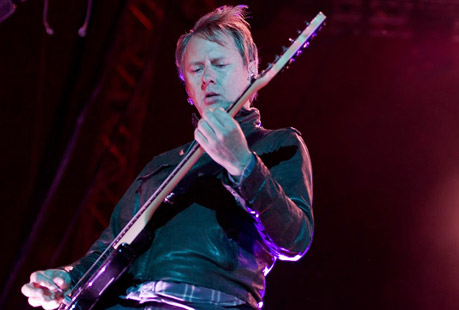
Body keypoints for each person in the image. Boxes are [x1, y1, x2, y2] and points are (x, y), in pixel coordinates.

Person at [21, 5, 314, 310]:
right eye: (196, 69)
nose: (208, 77)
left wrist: (244, 166)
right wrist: (67, 279)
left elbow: (295, 240)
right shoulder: (161, 165)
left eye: (220, 63)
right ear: (186, 85)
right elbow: (107, 251)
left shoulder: (278, 144)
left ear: (251, 65)